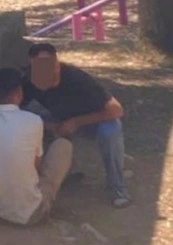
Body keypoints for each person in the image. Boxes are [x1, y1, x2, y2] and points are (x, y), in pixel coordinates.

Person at [21, 43, 131, 208]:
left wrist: (75, 122)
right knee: (29, 123)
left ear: (57, 65)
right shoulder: (29, 81)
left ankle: (118, 188)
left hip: (91, 120)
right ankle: (49, 178)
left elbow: (116, 110)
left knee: (111, 130)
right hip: (57, 118)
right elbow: (16, 110)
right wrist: (47, 126)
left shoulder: (78, 80)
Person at [0, 68, 73, 225]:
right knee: (63, 145)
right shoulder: (34, 121)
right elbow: (36, 167)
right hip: (31, 214)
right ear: (19, 93)